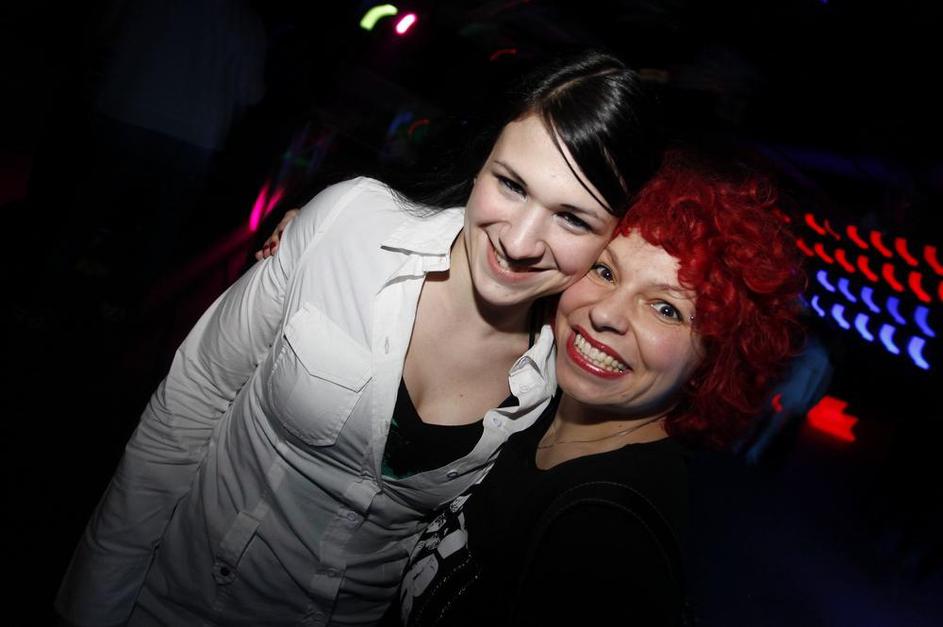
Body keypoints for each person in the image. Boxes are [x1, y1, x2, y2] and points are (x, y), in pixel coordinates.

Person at [55, 50, 661, 626]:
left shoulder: (561, 382)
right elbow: (192, 399)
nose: (519, 241)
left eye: (571, 217)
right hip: (166, 596)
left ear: (615, 239)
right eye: (511, 184)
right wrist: (95, 601)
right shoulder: (350, 227)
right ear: (483, 163)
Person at [391, 151, 807, 626]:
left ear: (713, 363)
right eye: (606, 272)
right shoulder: (540, 400)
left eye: (666, 309)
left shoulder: (608, 536)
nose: (606, 314)